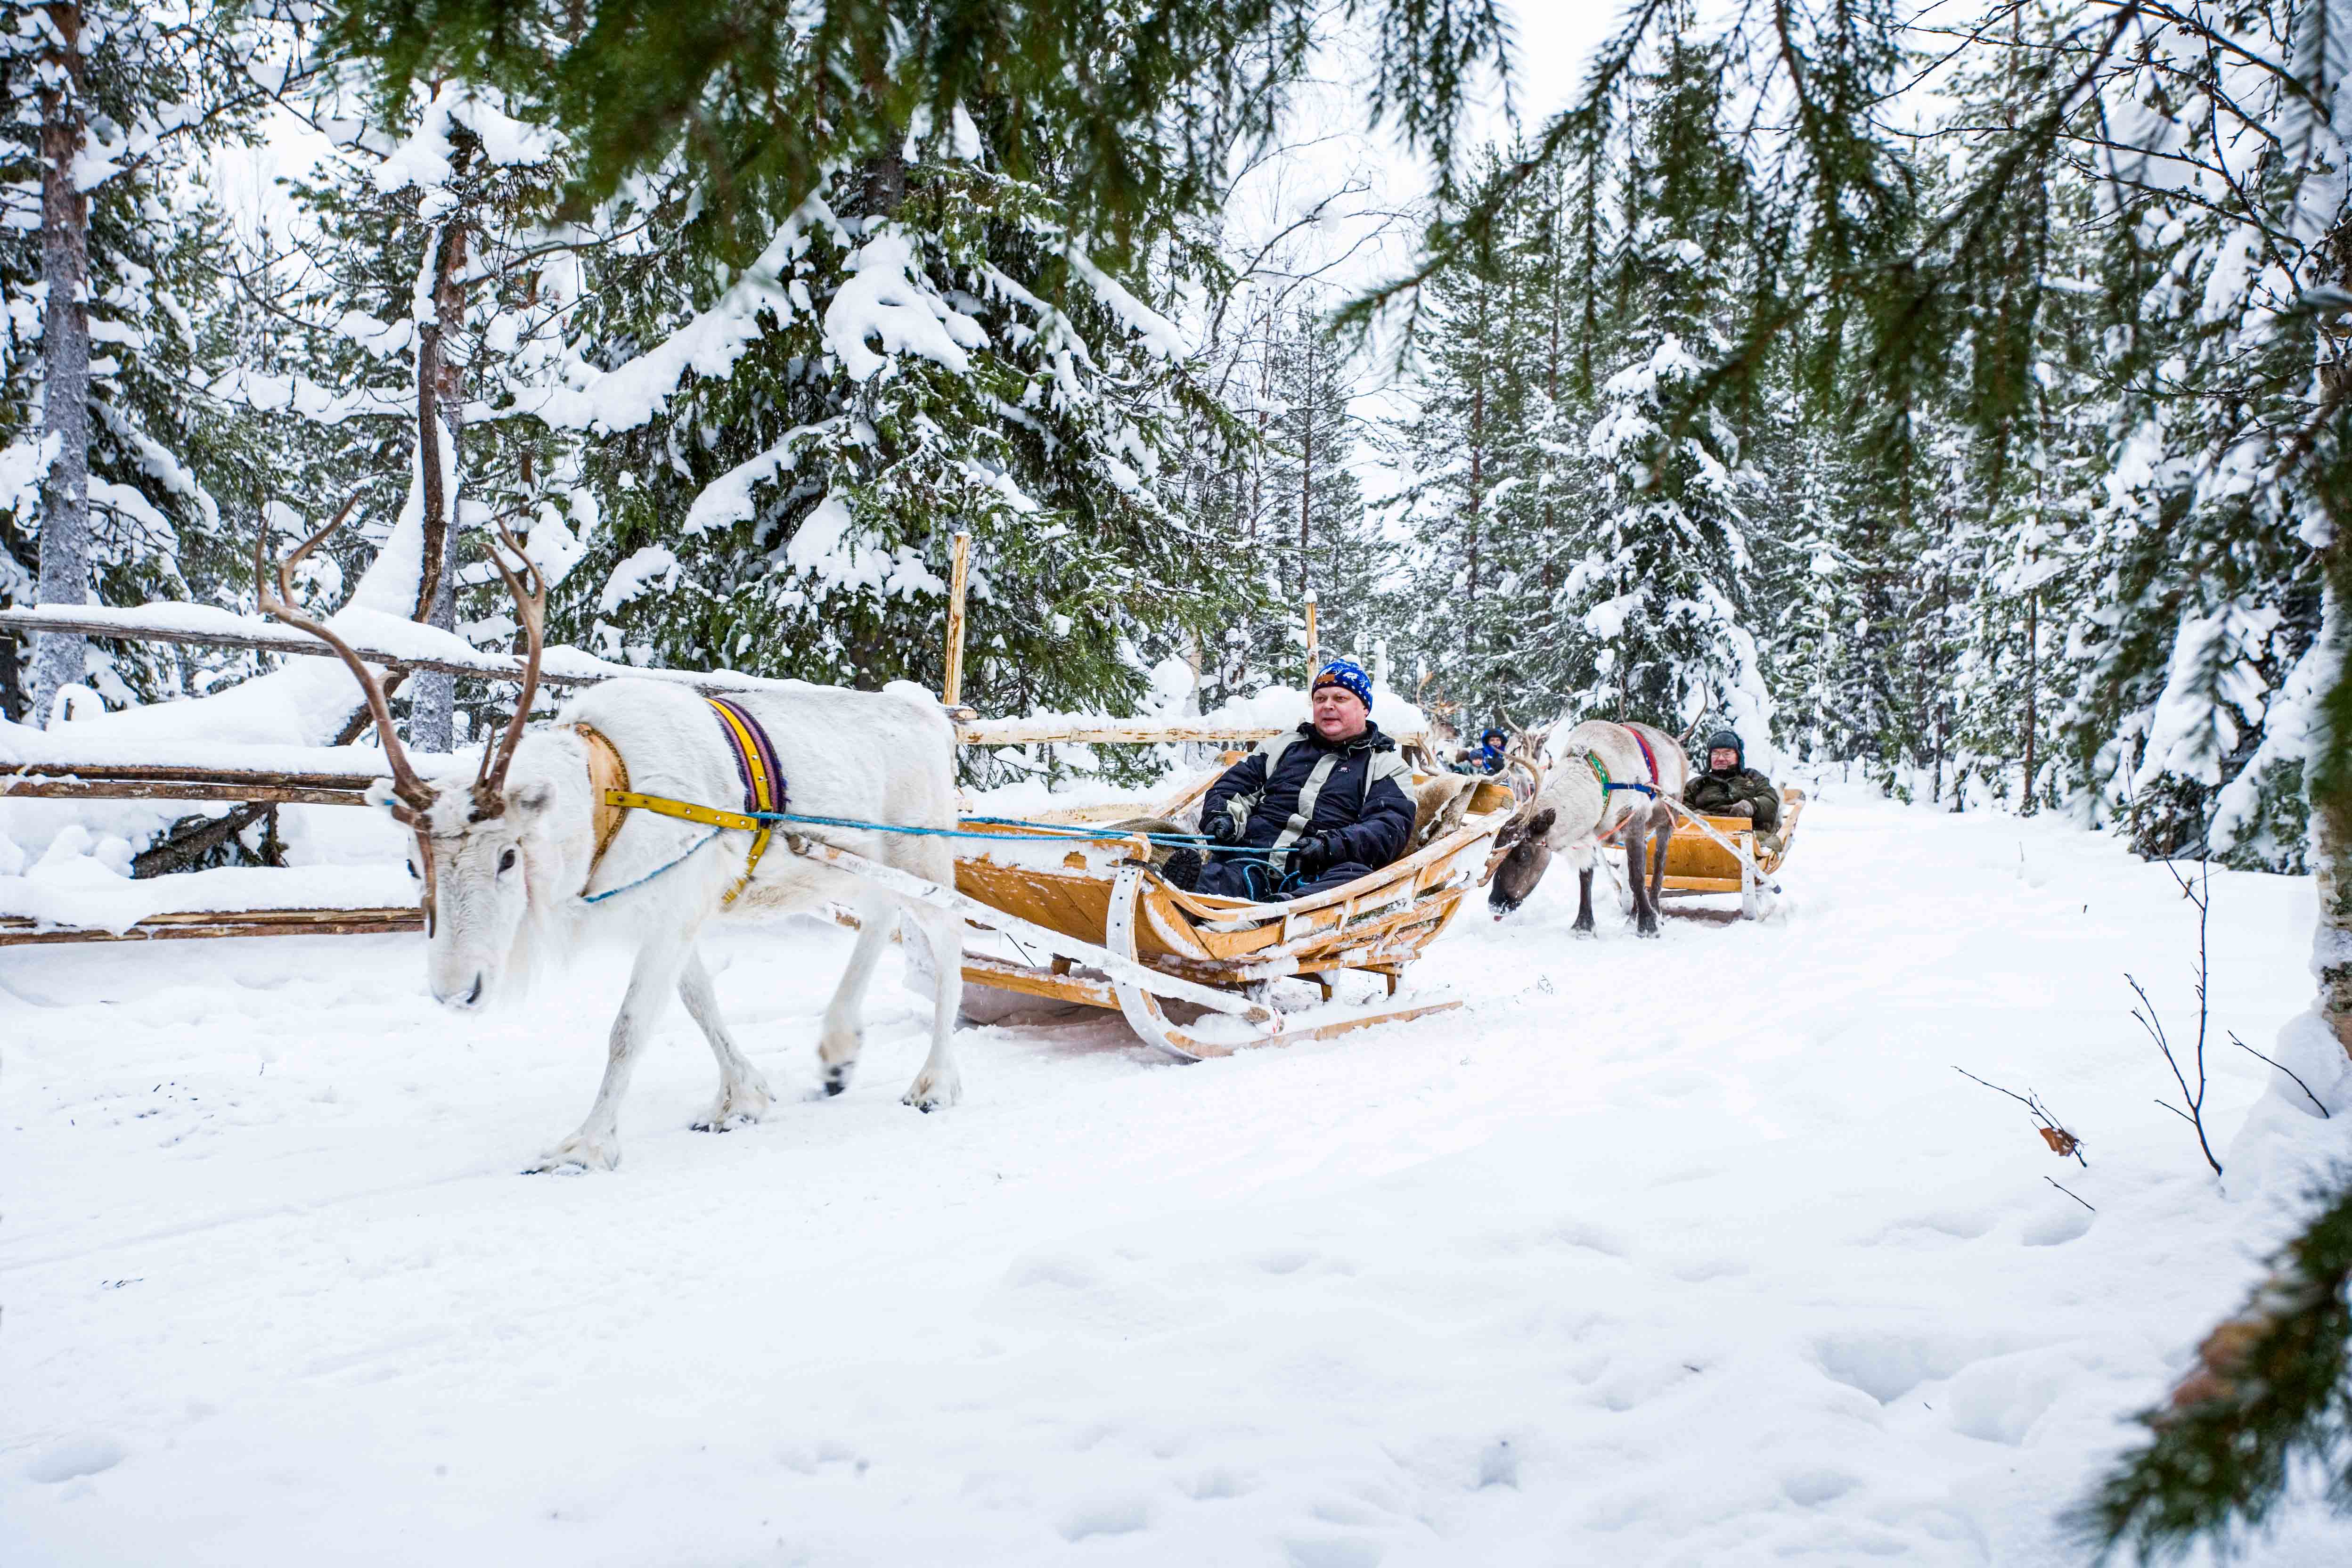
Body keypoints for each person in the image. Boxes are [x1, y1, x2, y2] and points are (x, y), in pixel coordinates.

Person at [1170, 659, 1416, 901]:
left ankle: (1282, 911)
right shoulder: (1284, 745)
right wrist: (1222, 816)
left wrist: (1330, 846)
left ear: (1364, 707)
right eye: (1320, 699)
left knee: (1356, 880)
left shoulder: (1386, 766)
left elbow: (1389, 826)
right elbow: (1233, 788)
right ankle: (1184, 897)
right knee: (1220, 876)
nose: (1327, 706)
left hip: (1319, 873)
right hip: (1253, 860)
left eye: (1340, 698)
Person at [1685, 728, 1783, 849]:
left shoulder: (1753, 778)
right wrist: (1695, 815)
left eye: (1727, 754)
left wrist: (1750, 806)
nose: (1720, 758)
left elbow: (1770, 799)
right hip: (1704, 837)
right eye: (1715, 753)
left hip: (1749, 835)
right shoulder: (1698, 783)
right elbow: (1680, 805)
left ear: (1738, 756)